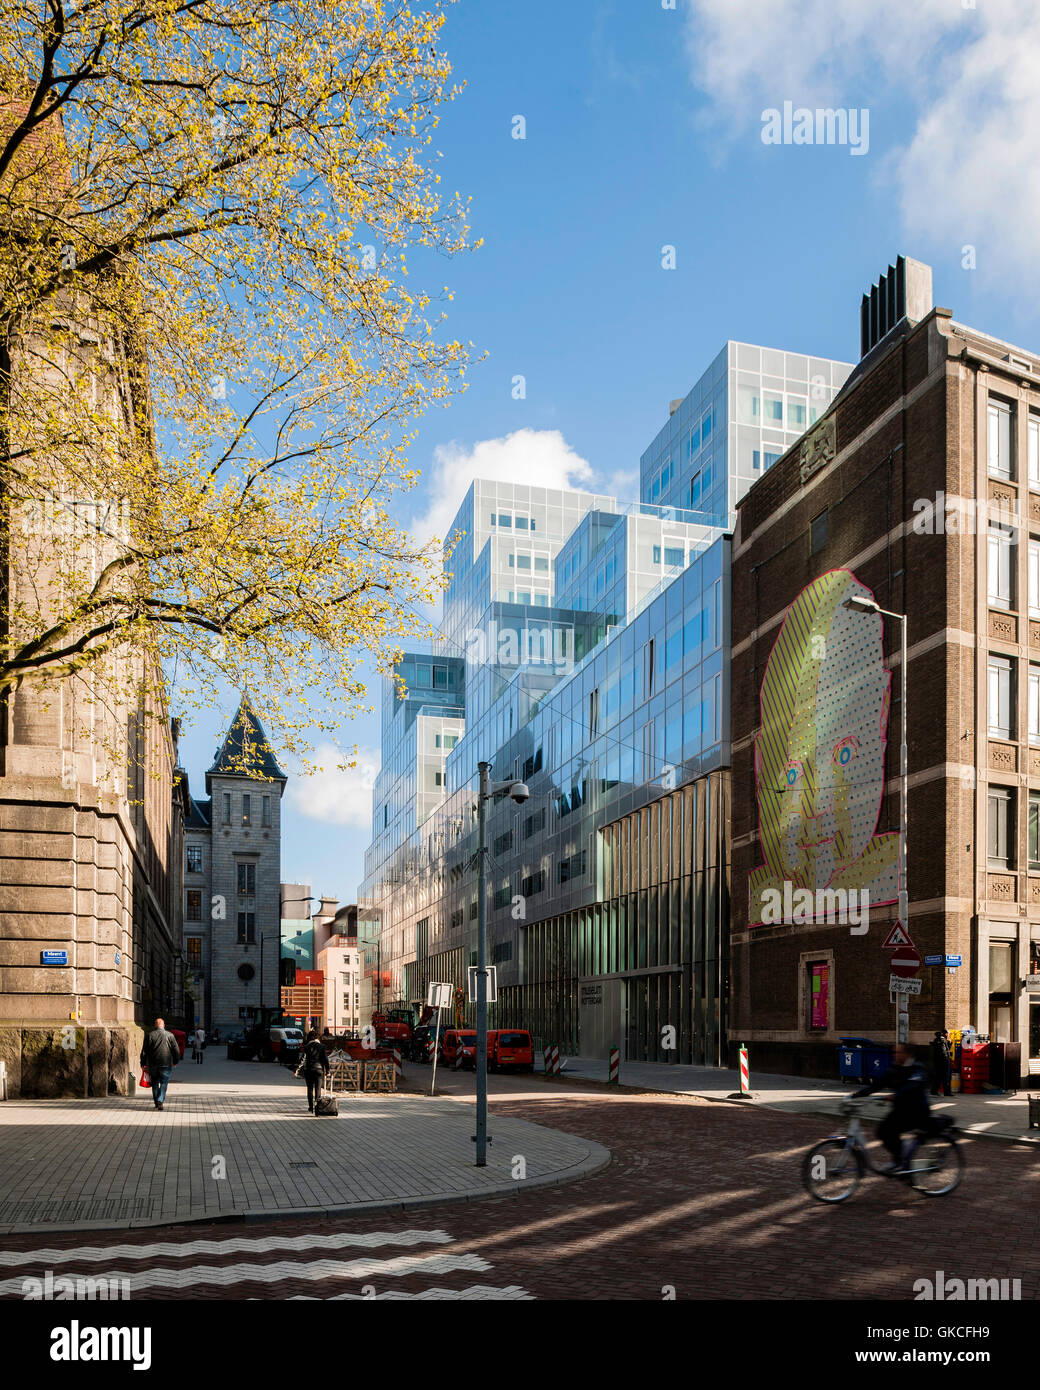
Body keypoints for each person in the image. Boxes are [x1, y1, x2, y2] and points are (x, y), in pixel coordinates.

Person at [852, 1042, 933, 1172]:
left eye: (898, 1052)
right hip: (901, 1111)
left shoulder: (918, 1068)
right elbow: (877, 1085)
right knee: (882, 1131)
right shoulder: (893, 1069)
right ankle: (900, 1157)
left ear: (908, 1054)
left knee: (888, 1131)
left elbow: (913, 1086)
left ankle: (900, 1161)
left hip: (917, 1112)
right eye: (894, 1052)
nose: (895, 1055)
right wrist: (856, 1095)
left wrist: (896, 1096)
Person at [140, 1016, 182, 1111]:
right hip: (166, 1063)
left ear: (155, 1025)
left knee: (154, 1083)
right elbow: (176, 1050)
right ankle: (160, 1100)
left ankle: (157, 1102)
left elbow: (144, 1051)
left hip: (153, 1064)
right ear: (164, 1025)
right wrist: (175, 1061)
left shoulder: (150, 1035)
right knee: (164, 1083)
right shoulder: (170, 1035)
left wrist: (143, 1063)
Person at [297, 1028, 330, 1113]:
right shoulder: (322, 1047)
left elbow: (303, 1059)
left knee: (310, 1089)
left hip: (309, 1070)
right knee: (318, 1089)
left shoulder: (307, 1047)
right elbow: (325, 1059)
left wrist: (297, 1069)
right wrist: (328, 1071)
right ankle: (317, 1108)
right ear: (317, 1038)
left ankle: (311, 1107)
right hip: (319, 1070)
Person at [929, 1029, 952, 1096]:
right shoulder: (943, 1040)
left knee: (938, 1077)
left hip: (937, 1062)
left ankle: (934, 1091)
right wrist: (949, 1042)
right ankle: (946, 1092)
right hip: (943, 1062)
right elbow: (945, 1051)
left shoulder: (937, 1040)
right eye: (948, 1034)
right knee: (945, 1077)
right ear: (946, 1034)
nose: (949, 1035)